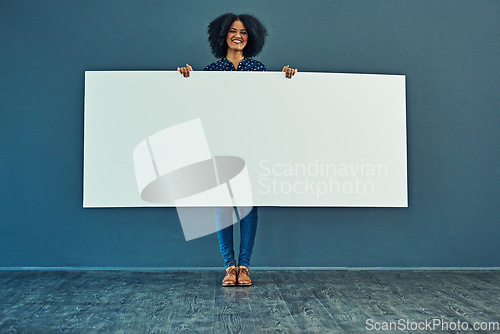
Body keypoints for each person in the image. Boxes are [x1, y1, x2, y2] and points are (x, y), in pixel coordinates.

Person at [178, 13, 297, 286]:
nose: (238, 36)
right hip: (220, 143)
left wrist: (287, 80)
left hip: (250, 143)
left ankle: (245, 266)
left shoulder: (258, 69)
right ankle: (229, 266)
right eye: (233, 31)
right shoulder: (211, 71)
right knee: (223, 203)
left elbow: (268, 104)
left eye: (243, 32)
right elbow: (198, 104)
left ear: (250, 37)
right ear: (223, 36)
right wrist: (187, 79)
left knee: (247, 204)